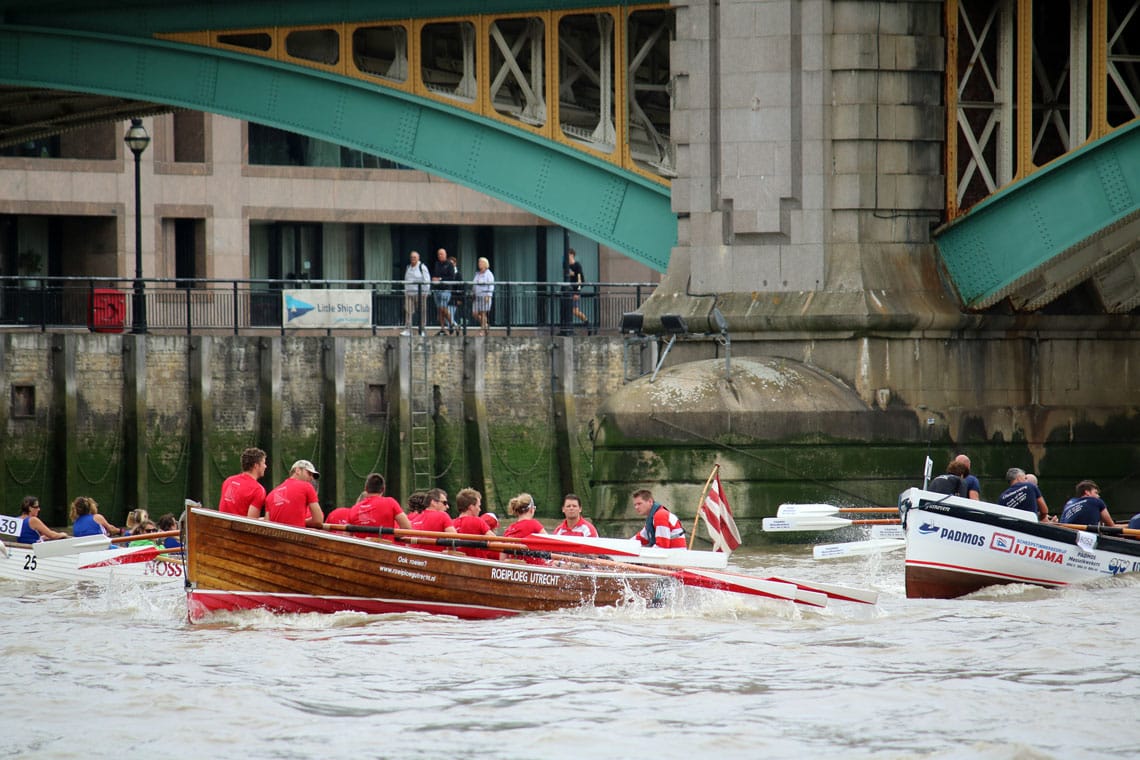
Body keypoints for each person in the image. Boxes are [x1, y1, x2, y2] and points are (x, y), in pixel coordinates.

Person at [349, 473, 411, 538]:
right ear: (383, 489)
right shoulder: (390, 502)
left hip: (361, 547)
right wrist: (390, 536)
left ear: (366, 489)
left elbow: (347, 536)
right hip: (384, 547)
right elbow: (407, 527)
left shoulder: (354, 508)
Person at [265, 459, 324, 528]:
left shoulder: (271, 495)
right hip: (295, 537)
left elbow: (267, 524)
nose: (311, 478)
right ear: (298, 470)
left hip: (274, 537)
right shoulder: (307, 486)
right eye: (309, 473)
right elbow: (318, 520)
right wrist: (303, 521)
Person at [219, 446, 267, 519]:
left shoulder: (228, 481)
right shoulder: (258, 490)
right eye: (263, 463)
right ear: (256, 466)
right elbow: (251, 523)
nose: (265, 466)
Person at [402, 250, 432, 336]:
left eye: (414, 257)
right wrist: (406, 291)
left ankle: (422, 329)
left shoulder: (422, 267)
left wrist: (425, 293)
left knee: (422, 312)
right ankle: (408, 330)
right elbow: (406, 279)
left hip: (420, 294)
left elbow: (427, 280)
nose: (413, 259)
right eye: (411, 257)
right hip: (409, 293)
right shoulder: (408, 267)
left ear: (418, 258)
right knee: (408, 311)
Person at [430, 247, 457, 335]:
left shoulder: (449, 265)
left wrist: (440, 279)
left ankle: (451, 323)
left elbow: (452, 278)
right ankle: (442, 328)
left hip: (446, 289)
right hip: (437, 289)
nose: (440, 256)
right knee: (439, 310)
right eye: (438, 254)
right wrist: (434, 279)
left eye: (441, 254)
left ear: (445, 255)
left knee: (443, 307)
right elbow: (434, 274)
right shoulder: (437, 264)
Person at [564, 248, 588, 325]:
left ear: (572, 255)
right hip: (568, 291)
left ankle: (587, 322)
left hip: (574, 291)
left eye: (568, 254)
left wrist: (577, 292)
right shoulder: (566, 265)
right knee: (568, 310)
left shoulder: (577, 265)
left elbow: (581, 280)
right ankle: (567, 326)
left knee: (575, 311)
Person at [472, 256, 494, 337]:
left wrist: (489, 295)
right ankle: (486, 325)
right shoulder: (477, 274)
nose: (479, 264)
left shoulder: (489, 274)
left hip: (484, 296)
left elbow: (491, 285)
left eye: (481, 262)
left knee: (483, 313)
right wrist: (473, 293)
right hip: (477, 296)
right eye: (479, 262)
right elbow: (474, 285)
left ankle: (482, 330)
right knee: (474, 313)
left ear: (485, 264)